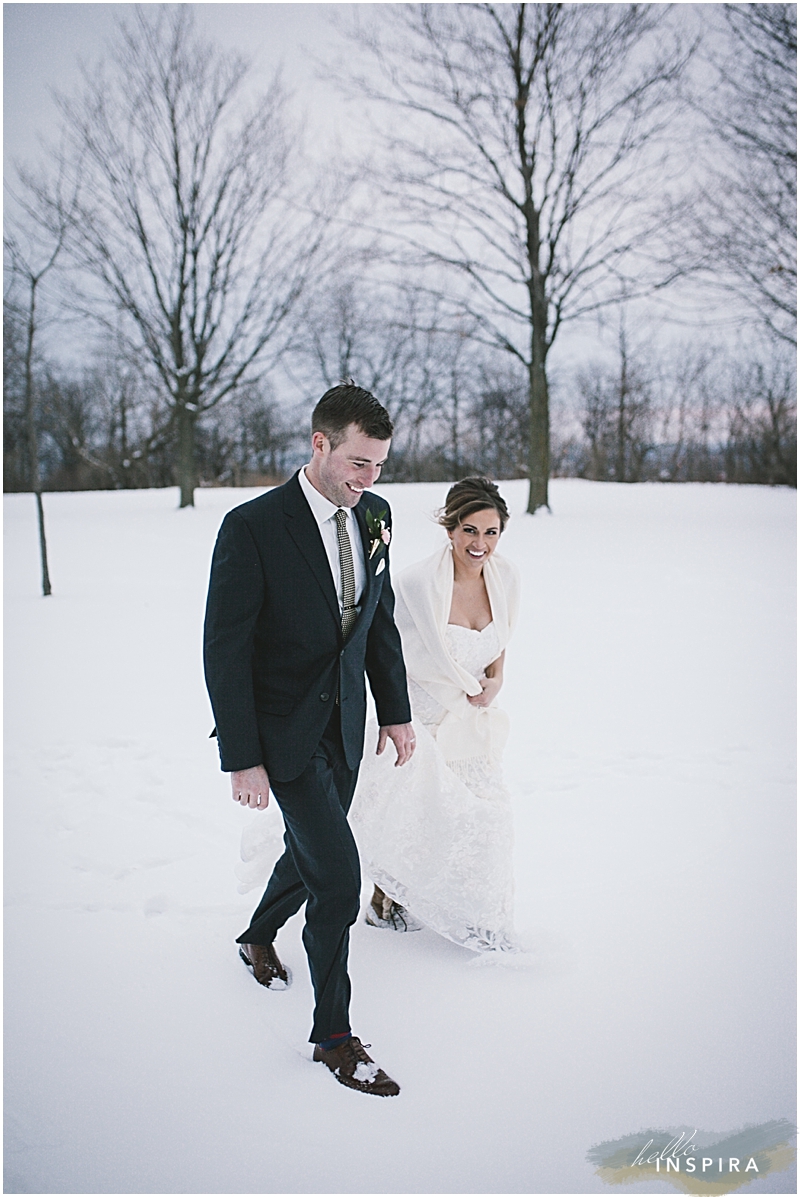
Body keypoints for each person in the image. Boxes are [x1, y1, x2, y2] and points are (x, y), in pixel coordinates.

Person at [203, 383, 415, 1098]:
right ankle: (334, 1036)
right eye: (359, 462)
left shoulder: (377, 515)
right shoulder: (253, 525)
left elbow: (376, 623)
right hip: (280, 733)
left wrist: (396, 710)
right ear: (319, 443)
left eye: (380, 465)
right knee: (338, 878)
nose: (369, 478)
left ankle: (256, 934)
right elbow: (225, 648)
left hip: (345, 727)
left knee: (309, 850)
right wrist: (242, 754)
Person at [350, 477, 520, 953]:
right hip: (420, 712)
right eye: (469, 531)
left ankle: (479, 915)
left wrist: (496, 678)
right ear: (449, 529)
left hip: (472, 719)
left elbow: (500, 636)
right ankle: (386, 900)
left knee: (490, 816)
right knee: (415, 810)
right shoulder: (416, 584)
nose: (479, 544)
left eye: (491, 533)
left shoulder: (506, 578)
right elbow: (389, 654)